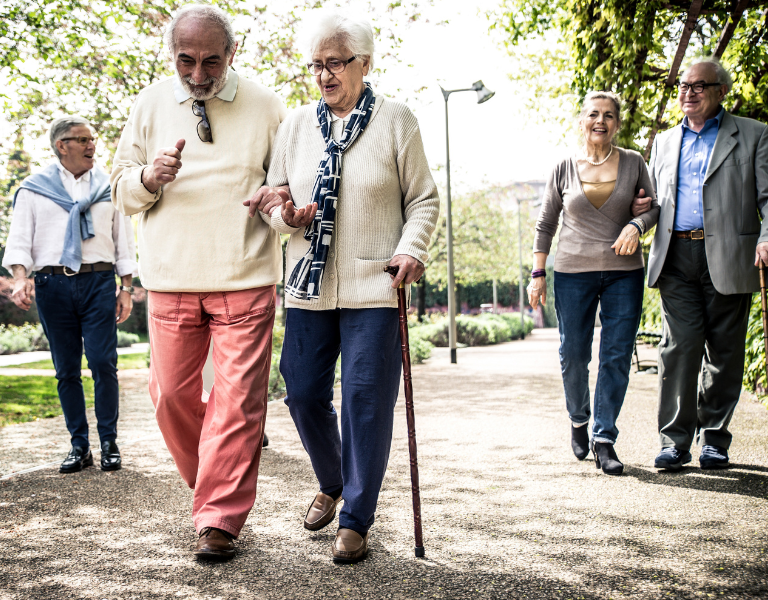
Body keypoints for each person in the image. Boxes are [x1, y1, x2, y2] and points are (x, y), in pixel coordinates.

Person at [246, 11, 439, 564]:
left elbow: (423, 199)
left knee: (364, 401)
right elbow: (277, 203)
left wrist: (411, 249)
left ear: (365, 64)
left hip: (373, 284)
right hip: (309, 284)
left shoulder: (397, 122)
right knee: (302, 391)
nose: (325, 75)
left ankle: (355, 517)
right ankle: (332, 480)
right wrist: (287, 214)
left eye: (336, 63)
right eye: (317, 65)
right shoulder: (296, 128)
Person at [111, 4, 286, 561]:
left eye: (212, 61)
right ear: (173, 56)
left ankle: (218, 518)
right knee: (168, 398)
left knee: (237, 404)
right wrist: (147, 177)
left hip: (244, 274)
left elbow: (286, 187)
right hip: (170, 277)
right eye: (187, 60)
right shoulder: (149, 102)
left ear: (232, 54)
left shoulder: (266, 107)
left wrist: (276, 201)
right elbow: (119, 188)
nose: (199, 74)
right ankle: (214, 485)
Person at [633, 58, 768, 472]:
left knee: (725, 352)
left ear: (720, 91)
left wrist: (767, 238)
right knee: (680, 348)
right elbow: (657, 202)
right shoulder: (664, 142)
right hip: (676, 255)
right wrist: (641, 212)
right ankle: (674, 441)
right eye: (683, 85)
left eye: (698, 86)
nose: (687, 92)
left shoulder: (753, 134)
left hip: (730, 254)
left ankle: (713, 439)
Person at [528, 91, 659, 476]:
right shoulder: (564, 167)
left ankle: (604, 439)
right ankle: (579, 419)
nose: (600, 121)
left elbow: (652, 207)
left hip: (624, 272)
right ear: (582, 121)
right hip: (572, 271)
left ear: (618, 123)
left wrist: (636, 224)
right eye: (593, 114)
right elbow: (546, 223)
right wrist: (537, 274)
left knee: (616, 355)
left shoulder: (634, 162)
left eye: (608, 115)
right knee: (573, 354)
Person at [3, 116, 137, 473]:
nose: (92, 145)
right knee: (66, 370)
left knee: (102, 363)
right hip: (53, 285)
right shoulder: (34, 188)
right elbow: (20, 241)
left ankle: (109, 442)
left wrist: (126, 288)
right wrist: (19, 278)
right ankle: (79, 445)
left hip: (99, 282)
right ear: (62, 145)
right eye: (82, 139)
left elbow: (124, 241)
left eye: (92, 138)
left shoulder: (110, 186)